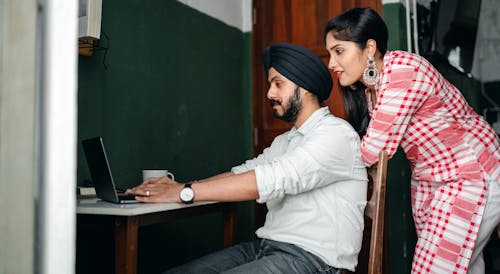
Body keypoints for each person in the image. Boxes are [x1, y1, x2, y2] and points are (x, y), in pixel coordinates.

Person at [126, 42, 368, 273]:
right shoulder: (285, 141)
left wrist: (184, 193)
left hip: (312, 260)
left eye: (278, 84)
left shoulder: (336, 134)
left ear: (304, 87)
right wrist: (183, 187)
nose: (269, 93)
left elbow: (273, 178)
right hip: (265, 248)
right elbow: (243, 173)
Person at [324, 7, 500, 274]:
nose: (331, 63)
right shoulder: (374, 89)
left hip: (472, 173)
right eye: (330, 54)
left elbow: (373, 151)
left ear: (369, 48)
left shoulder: (403, 72)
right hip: (436, 180)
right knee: (465, 267)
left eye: (339, 51)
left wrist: (319, 157)